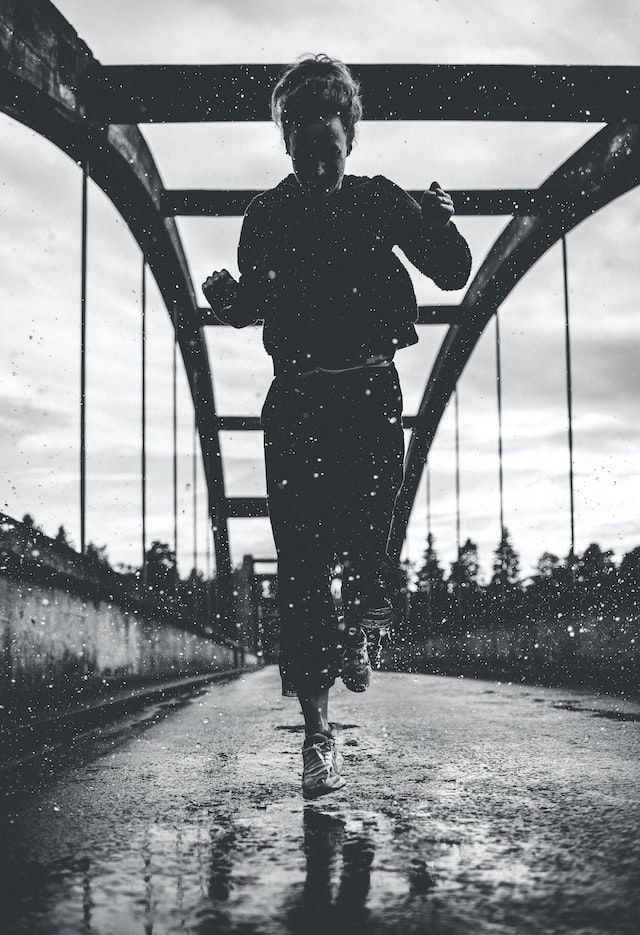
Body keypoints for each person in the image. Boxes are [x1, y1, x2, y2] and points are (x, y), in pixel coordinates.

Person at [202, 53, 472, 799]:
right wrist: (229, 299)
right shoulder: (266, 216)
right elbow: (254, 303)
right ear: (286, 142)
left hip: (368, 393)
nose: (318, 163)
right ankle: (318, 739)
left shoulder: (381, 200)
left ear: (350, 137)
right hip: (297, 403)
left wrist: (440, 223)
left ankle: (360, 626)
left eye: (330, 148)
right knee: (300, 566)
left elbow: (451, 272)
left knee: (367, 542)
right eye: (303, 149)